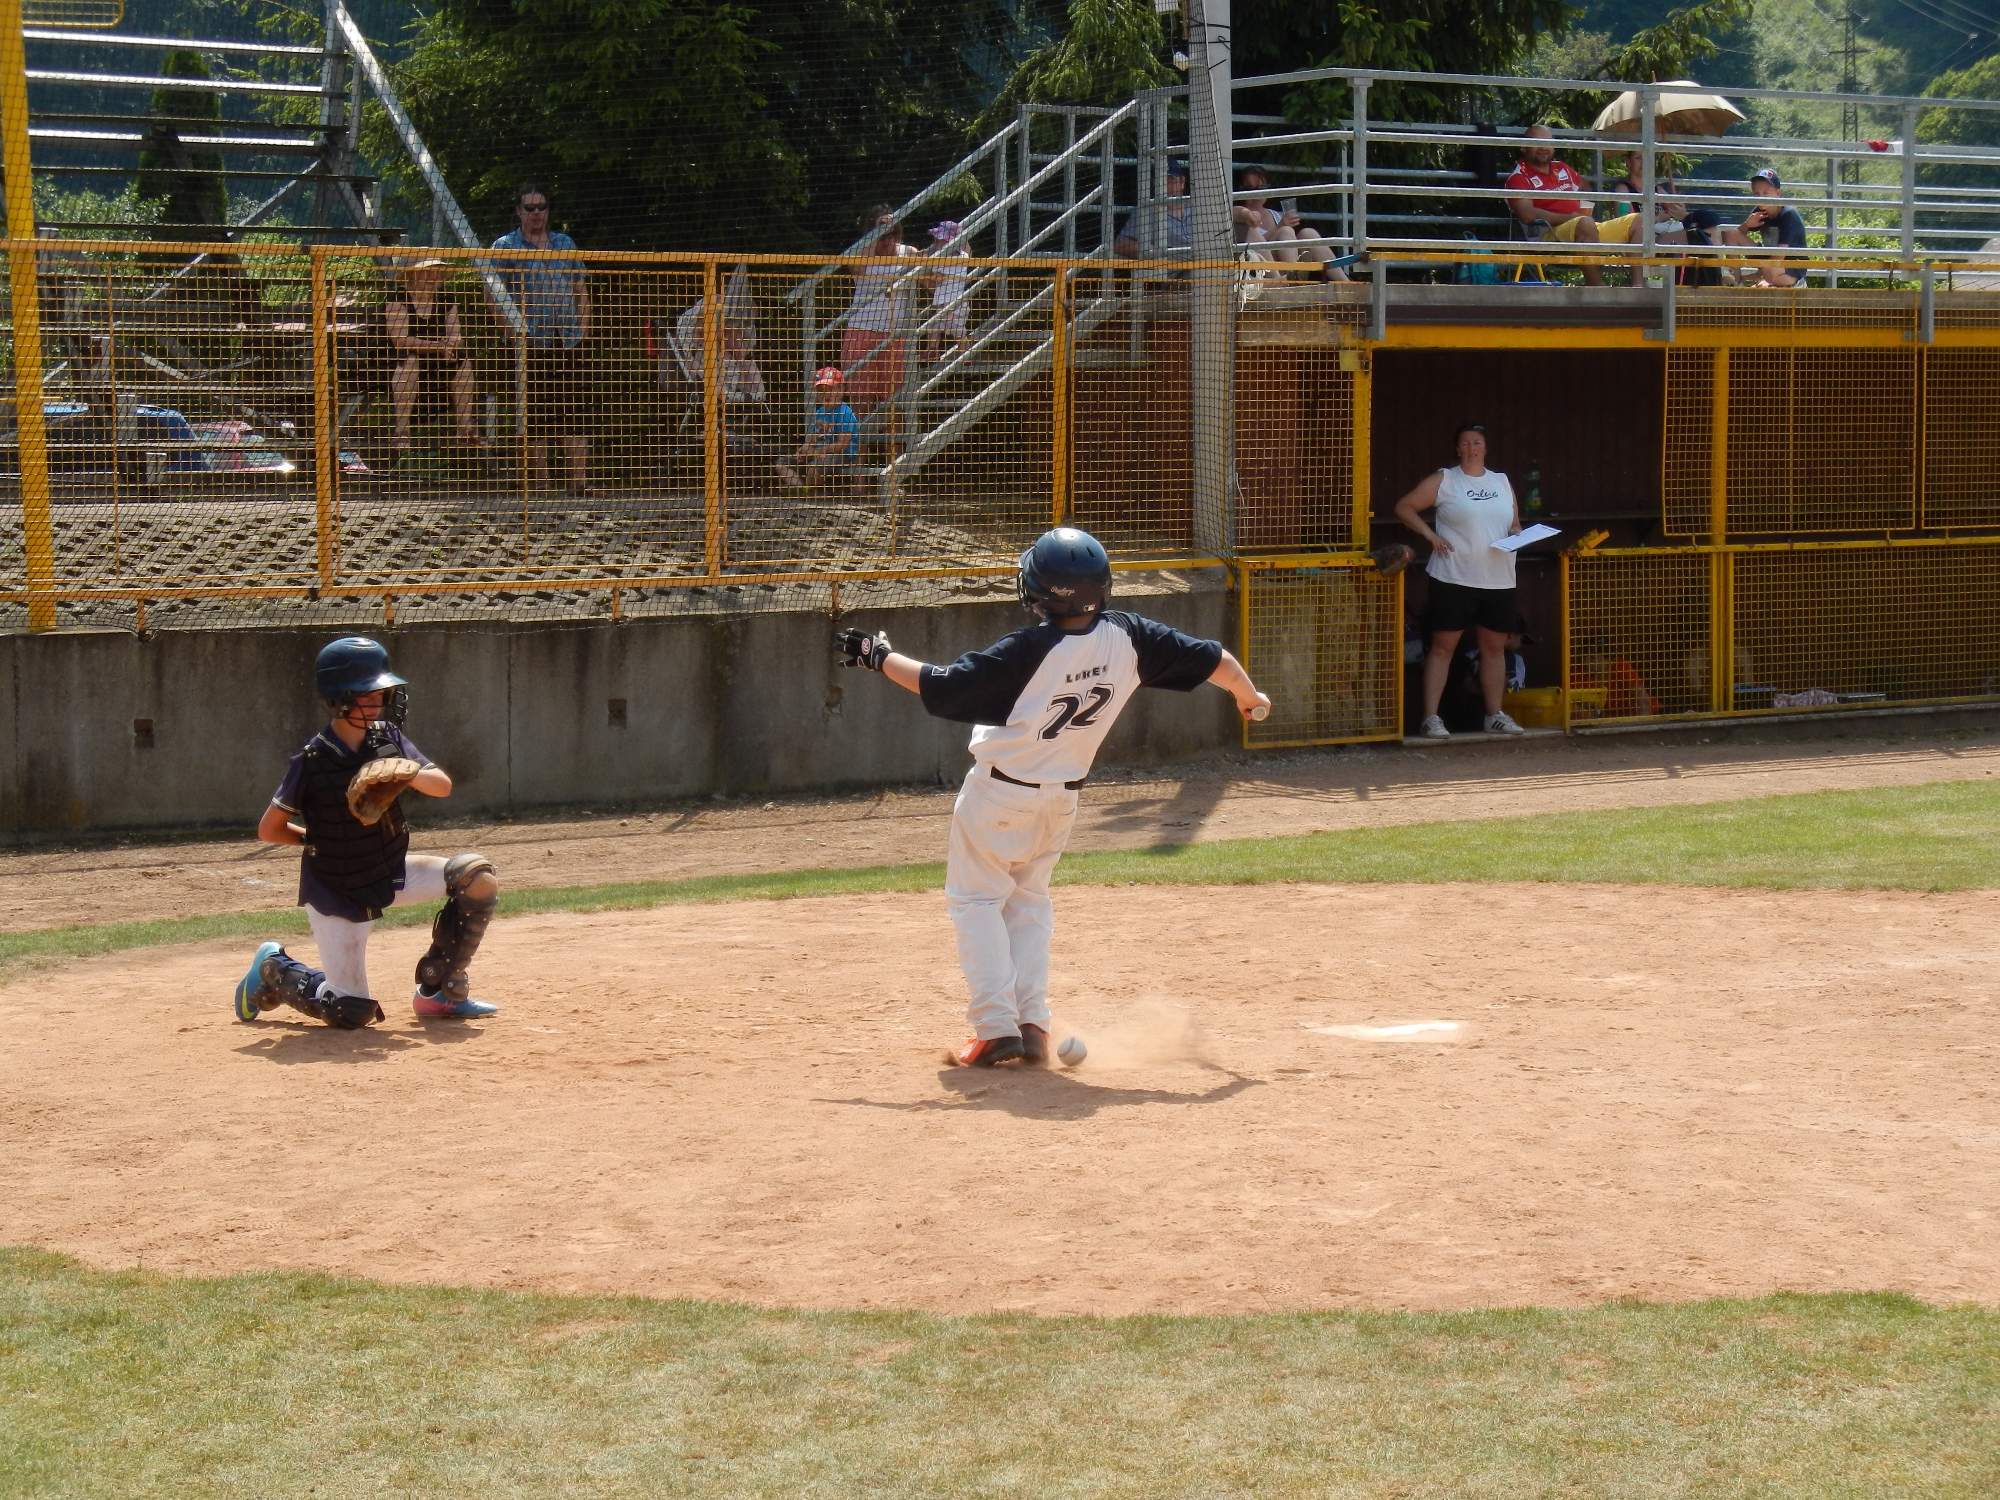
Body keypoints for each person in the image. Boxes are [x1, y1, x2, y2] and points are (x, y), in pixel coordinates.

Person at [831, 527, 1270, 1066]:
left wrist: (877, 655)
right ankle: (1031, 1024)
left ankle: (995, 1028)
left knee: (976, 902)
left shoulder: (1028, 651)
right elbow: (1217, 663)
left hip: (998, 795)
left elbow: (939, 685)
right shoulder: (1131, 636)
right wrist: (1250, 698)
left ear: (1037, 590)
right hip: (1062, 800)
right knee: (1029, 904)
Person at [232, 637, 501, 1028]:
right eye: (367, 694)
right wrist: (318, 838)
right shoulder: (313, 760)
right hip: (337, 887)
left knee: (475, 877)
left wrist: (409, 771)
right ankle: (274, 968)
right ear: (339, 697)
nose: (378, 702)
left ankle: (440, 992)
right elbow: (268, 829)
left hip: (388, 869)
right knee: (349, 1010)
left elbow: (442, 785)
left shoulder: (388, 736)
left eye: (381, 692)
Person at [1392, 422, 1528, 739]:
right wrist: (1430, 535)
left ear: (1485, 447)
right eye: (1465, 443)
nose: (1471, 448)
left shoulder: (1501, 482)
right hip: (1453, 576)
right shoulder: (1446, 479)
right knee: (1443, 647)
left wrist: (1519, 536)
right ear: (1457, 448)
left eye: (1477, 442)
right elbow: (1405, 506)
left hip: (1498, 578)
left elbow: (1515, 523)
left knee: (1494, 648)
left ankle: (1494, 714)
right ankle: (1431, 717)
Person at [490, 181, 592, 493]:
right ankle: (542, 484)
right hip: (531, 339)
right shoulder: (505, 246)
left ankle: (579, 482)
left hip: (568, 337)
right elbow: (493, 292)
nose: (536, 213)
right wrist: (510, 331)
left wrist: (584, 327)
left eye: (541, 207)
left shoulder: (565, 243)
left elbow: (580, 288)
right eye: (530, 208)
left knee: (575, 410)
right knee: (536, 411)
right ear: (519, 211)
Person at [1506, 126, 1637, 287]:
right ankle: (1598, 290)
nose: (1543, 148)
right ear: (1523, 146)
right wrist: (1576, 218)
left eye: (1547, 143)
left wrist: (1584, 211)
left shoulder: (1561, 167)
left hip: (1584, 230)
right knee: (1585, 224)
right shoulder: (1519, 177)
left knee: (1638, 220)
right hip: (1549, 234)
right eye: (1536, 143)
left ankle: (1638, 287)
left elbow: (1586, 187)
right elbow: (1527, 215)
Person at [386, 257, 478, 457]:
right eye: (426, 271)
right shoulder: (398, 299)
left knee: (464, 363)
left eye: (437, 271)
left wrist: (450, 346)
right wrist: (437, 346)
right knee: (409, 363)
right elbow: (400, 341)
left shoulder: (447, 299)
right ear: (412, 274)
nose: (432, 276)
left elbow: (456, 335)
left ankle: (466, 429)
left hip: (439, 362)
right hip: (397, 362)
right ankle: (401, 432)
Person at [842, 205, 917, 415]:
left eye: (892, 234)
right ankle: (862, 447)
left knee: (894, 401)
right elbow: (856, 268)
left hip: (895, 335)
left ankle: (899, 448)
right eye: (883, 235)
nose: (888, 241)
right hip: (861, 331)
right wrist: (876, 231)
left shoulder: (909, 253)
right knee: (861, 398)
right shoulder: (860, 252)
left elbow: (932, 281)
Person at [1232, 166, 1347, 282]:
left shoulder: (1275, 215)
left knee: (1308, 233)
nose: (1255, 192)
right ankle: (1293, 278)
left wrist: (1283, 227)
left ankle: (1346, 282)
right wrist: (1280, 227)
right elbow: (1258, 246)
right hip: (1264, 271)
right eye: (1249, 188)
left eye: (1260, 187)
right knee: (1285, 231)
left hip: (1284, 264)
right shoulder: (1241, 216)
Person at [777, 366, 860, 491]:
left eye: (830, 389)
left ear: (841, 390)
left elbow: (842, 444)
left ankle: (806, 489)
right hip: (821, 452)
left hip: (842, 454)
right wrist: (804, 449)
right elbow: (816, 436)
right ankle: (800, 488)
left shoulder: (845, 412)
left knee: (814, 467)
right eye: (821, 390)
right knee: (782, 464)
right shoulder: (820, 411)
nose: (825, 394)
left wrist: (821, 451)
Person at [1740, 167, 1809, 288]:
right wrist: (1746, 225)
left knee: (1767, 279)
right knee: (1731, 234)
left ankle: (1768, 280)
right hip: (1771, 266)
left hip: (1790, 270)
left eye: (1766, 193)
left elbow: (1780, 254)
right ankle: (1736, 281)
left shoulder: (1788, 214)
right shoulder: (1760, 211)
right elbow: (1734, 238)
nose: (1761, 197)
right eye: (1757, 194)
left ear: (1778, 193)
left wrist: (1767, 278)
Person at [1114, 158, 1193, 259]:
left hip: (1202, 268)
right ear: (1155, 183)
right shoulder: (1146, 211)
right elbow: (1120, 245)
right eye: (1162, 181)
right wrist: (1157, 252)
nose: (1166, 186)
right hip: (1166, 271)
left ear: (1182, 181)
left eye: (1171, 180)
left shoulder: (1198, 207)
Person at [921, 220, 974, 362]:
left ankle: (966, 353)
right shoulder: (945, 257)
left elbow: (939, 278)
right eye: (936, 240)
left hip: (954, 304)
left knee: (957, 330)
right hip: (941, 301)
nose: (937, 243)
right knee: (934, 326)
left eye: (941, 241)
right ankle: (932, 350)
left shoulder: (957, 258)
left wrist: (927, 271)